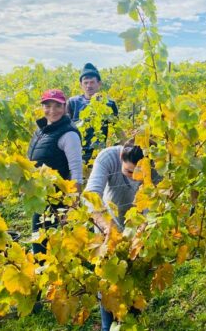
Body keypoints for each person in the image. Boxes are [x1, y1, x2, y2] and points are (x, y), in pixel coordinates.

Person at [83, 139, 157, 331]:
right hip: (108, 228)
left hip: (140, 228)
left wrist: (146, 227)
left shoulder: (154, 161)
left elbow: (161, 198)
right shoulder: (107, 157)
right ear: (120, 158)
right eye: (130, 172)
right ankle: (109, 327)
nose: (134, 178)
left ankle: (133, 323)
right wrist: (106, 228)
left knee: (136, 283)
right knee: (109, 287)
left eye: (140, 174)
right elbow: (91, 196)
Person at [27, 89, 83, 255]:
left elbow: (76, 170)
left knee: (41, 237)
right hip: (41, 193)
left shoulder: (69, 134)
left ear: (65, 107)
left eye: (58, 106)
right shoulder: (43, 129)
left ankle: (47, 270)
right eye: (48, 105)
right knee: (43, 236)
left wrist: (73, 203)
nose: (52, 110)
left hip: (56, 197)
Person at [66, 63, 118, 164]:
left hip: (100, 154)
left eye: (92, 82)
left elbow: (117, 130)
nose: (88, 86)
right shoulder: (73, 102)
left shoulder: (109, 103)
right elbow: (65, 129)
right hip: (76, 153)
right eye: (85, 83)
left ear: (99, 83)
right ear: (81, 84)